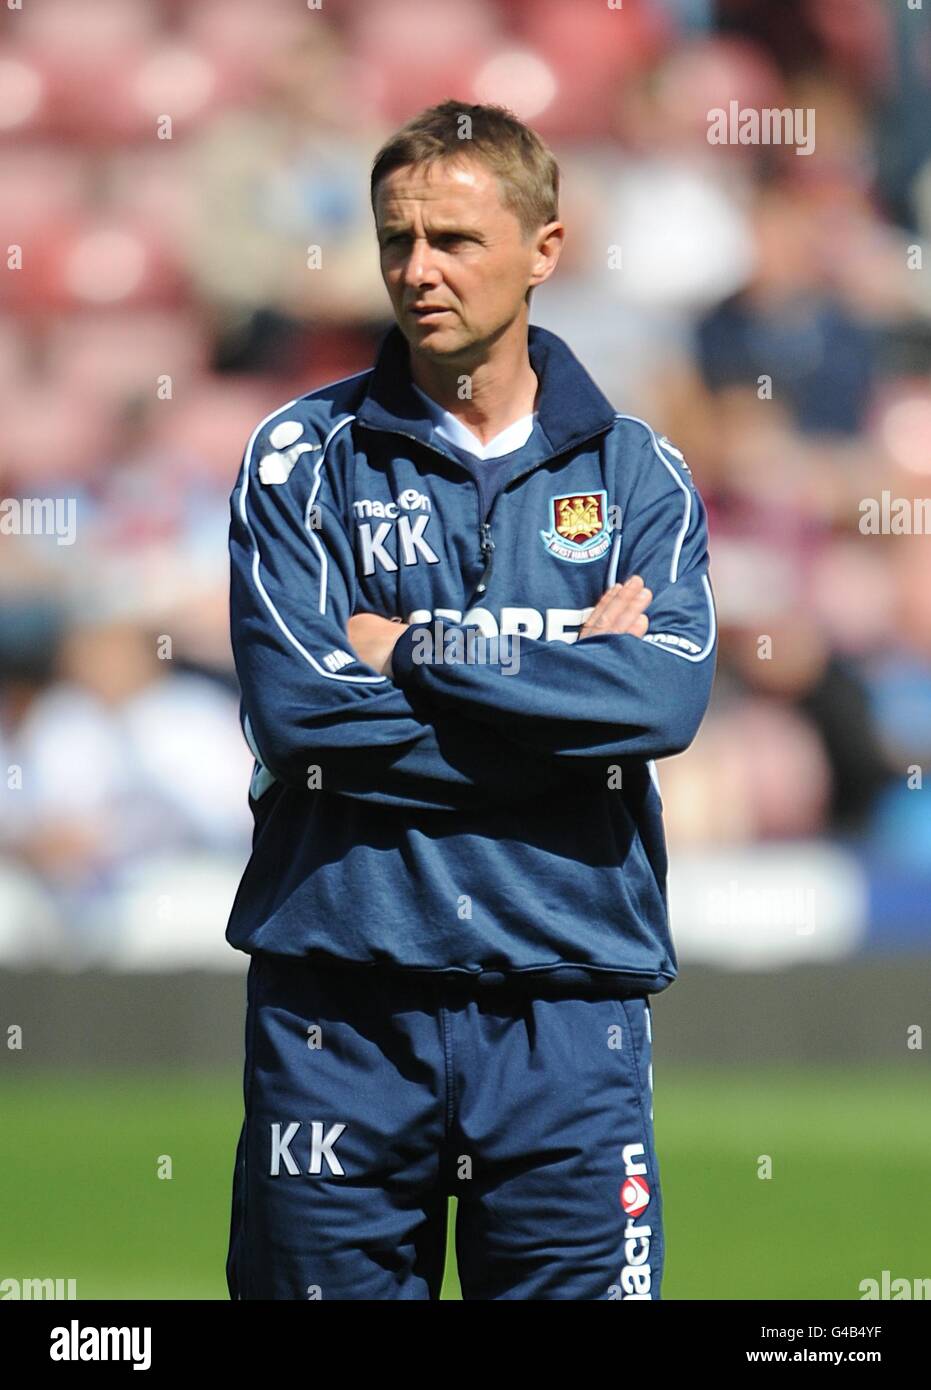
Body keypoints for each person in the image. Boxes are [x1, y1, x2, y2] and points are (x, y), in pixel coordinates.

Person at [224, 100, 717, 1300]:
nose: (416, 270)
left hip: (567, 1009)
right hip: (343, 1011)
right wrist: (560, 710)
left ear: (544, 250)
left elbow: (657, 705)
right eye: (397, 240)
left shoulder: (637, 471)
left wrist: (416, 654)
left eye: (452, 239)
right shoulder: (301, 457)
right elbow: (306, 721)